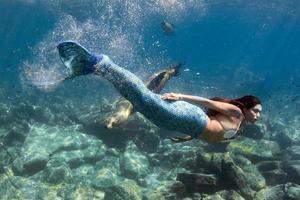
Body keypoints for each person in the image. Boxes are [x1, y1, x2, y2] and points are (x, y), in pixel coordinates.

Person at [57, 41, 262, 143]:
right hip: (190, 117)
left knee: (139, 102)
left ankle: (95, 69)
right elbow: (208, 103)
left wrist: (188, 138)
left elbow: (212, 133)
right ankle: (101, 63)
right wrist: (181, 96)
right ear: (247, 106)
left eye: (259, 113)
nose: (258, 115)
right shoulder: (236, 113)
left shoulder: (240, 128)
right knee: (144, 98)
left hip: (186, 126)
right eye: (256, 110)